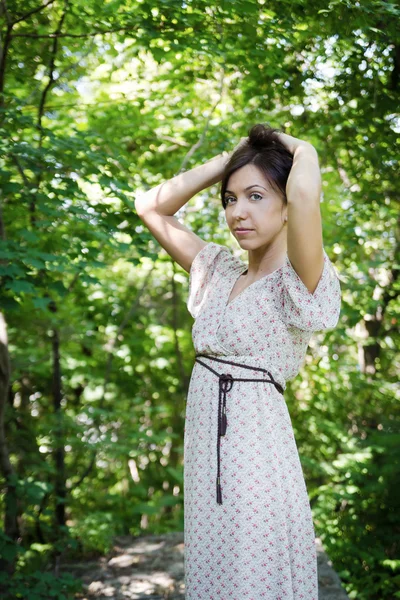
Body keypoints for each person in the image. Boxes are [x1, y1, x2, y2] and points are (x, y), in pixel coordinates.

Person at [135, 124, 341, 599]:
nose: (237, 212)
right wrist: (231, 159)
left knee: (254, 572)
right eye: (230, 199)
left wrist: (300, 147)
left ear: (287, 205)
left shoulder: (298, 279)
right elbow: (151, 206)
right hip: (208, 453)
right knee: (215, 569)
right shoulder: (219, 272)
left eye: (255, 196)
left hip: (257, 452)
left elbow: (308, 198)